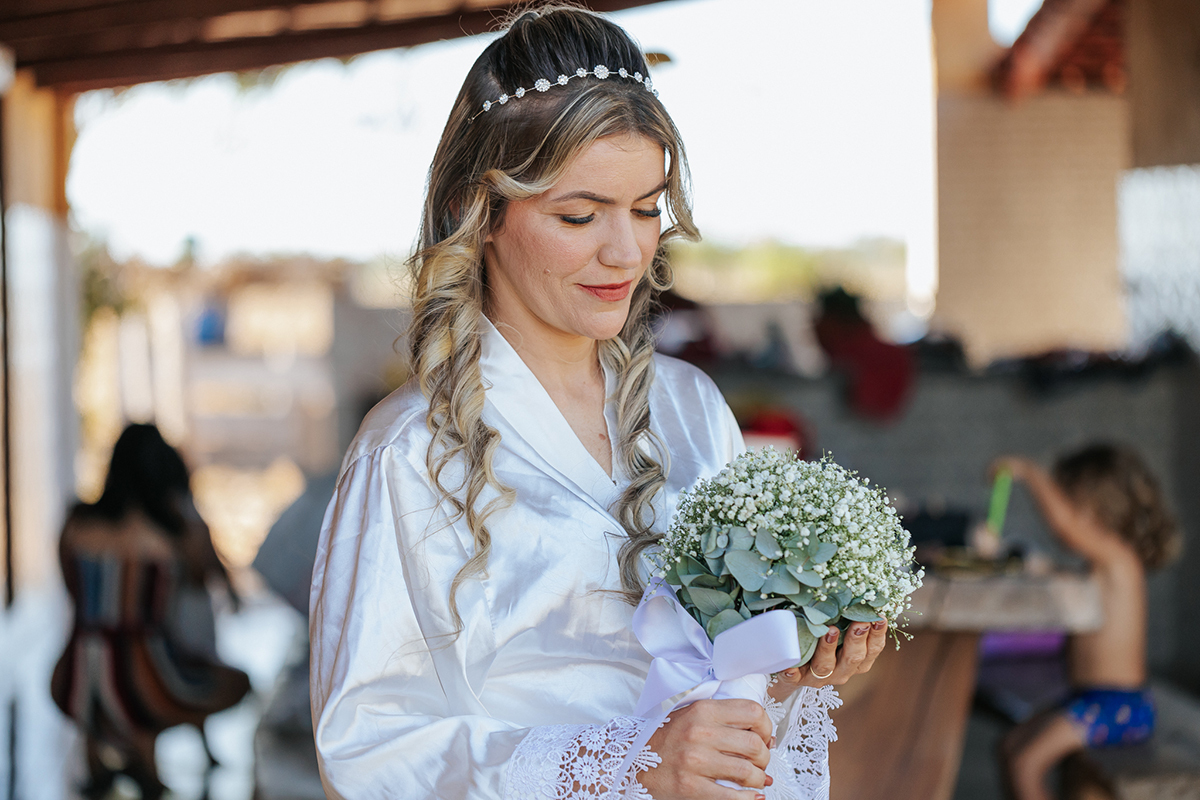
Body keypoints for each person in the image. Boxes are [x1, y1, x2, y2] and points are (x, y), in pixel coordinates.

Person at [309, 7, 889, 799]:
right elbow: (367, 751)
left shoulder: (690, 410)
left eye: (647, 209)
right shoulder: (407, 451)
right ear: (476, 213)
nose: (626, 252)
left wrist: (796, 666)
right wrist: (625, 763)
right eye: (578, 216)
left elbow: (721, 696)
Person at [52, 424, 250, 799]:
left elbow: (71, 591)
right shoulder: (170, 532)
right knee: (235, 682)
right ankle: (144, 759)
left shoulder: (75, 523)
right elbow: (199, 577)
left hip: (71, 680)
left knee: (118, 664)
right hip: (149, 683)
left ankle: (104, 754)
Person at [991, 445, 1181, 800]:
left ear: (1098, 507)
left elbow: (1063, 524)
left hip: (1119, 706)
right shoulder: (1096, 569)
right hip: (1088, 699)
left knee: (1025, 763)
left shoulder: (1118, 560)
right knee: (1012, 746)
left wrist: (1029, 471)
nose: (1062, 519)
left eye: (1069, 502)